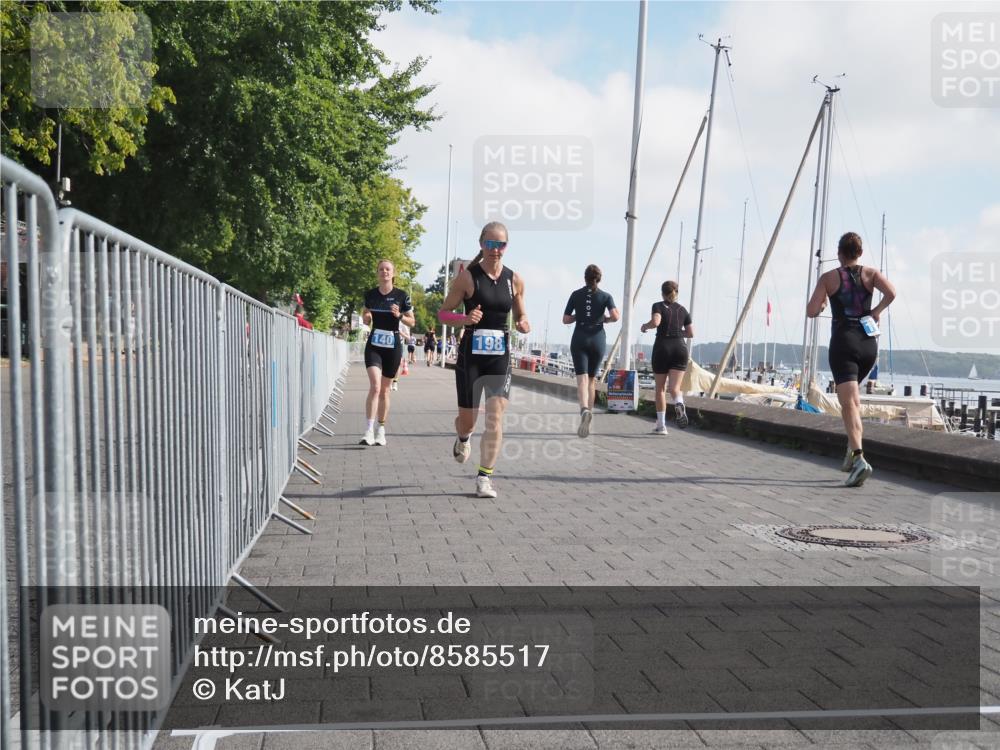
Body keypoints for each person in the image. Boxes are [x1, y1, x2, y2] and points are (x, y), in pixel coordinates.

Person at [437, 221, 530, 498]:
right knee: (469, 421)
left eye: (500, 244)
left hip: (499, 355)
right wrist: (464, 319)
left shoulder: (514, 280)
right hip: (471, 356)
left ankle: (484, 478)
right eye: (490, 244)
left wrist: (524, 323)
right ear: (481, 245)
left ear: (506, 247)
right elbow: (443, 313)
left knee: (495, 417)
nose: (495, 250)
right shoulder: (468, 278)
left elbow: (521, 314)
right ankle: (462, 437)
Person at [807, 231, 896, 487]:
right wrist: (876, 311)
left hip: (844, 342)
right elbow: (892, 292)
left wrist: (824, 305)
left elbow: (811, 310)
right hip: (868, 345)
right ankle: (851, 451)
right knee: (853, 403)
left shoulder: (829, 277)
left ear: (839, 253)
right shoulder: (871, 274)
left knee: (849, 405)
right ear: (859, 253)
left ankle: (859, 459)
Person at [360, 259, 414, 446]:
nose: (384, 272)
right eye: (381, 269)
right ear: (377, 273)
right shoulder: (370, 295)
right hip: (374, 344)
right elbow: (366, 316)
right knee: (375, 386)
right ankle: (368, 430)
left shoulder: (401, 295)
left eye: (388, 269)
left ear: (394, 273)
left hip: (392, 345)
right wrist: (366, 317)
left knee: (384, 390)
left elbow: (411, 322)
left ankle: (381, 429)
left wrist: (399, 315)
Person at [563, 264, 619, 437]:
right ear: (599, 278)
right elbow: (616, 316)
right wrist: (605, 320)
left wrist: (577, 316)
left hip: (580, 336)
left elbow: (565, 319)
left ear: (585, 278)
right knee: (592, 380)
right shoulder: (606, 296)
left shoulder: (575, 294)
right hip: (597, 338)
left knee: (582, 380)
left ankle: (584, 409)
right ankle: (590, 412)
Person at [640, 281, 693, 434]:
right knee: (675, 388)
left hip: (663, 348)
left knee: (660, 389)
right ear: (676, 293)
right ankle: (679, 402)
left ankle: (661, 426)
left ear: (662, 293)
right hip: (680, 349)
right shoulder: (683, 310)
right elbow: (690, 333)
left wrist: (645, 326)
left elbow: (656, 322)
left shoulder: (658, 306)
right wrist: (677, 333)